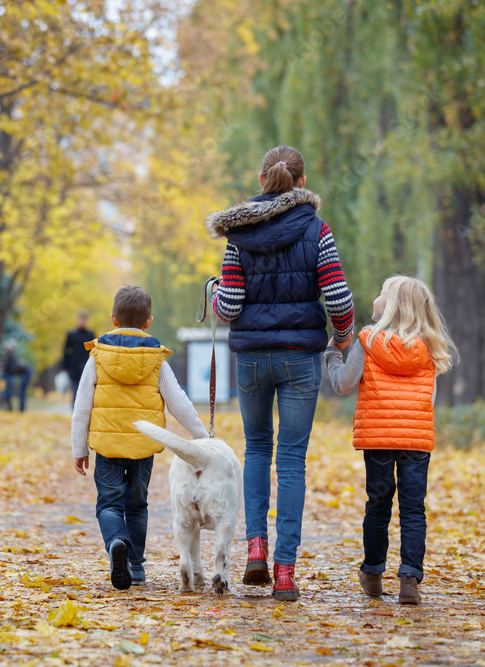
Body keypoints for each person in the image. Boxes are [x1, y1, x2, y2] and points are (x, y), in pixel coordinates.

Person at [208, 145, 355, 601]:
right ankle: (286, 573)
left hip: (252, 359)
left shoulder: (240, 235)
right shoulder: (317, 230)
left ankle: (254, 549)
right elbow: (338, 299)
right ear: (301, 181)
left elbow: (229, 307)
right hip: (299, 359)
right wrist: (345, 336)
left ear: (261, 178)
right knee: (291, 460)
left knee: (256, 450)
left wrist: (214, 298)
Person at [325, 275, 458, 605]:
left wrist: (332, 355)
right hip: (416, 440)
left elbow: (343, 384)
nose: (375, 299)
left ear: (393, 305)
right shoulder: (428, 347)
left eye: (381, 293)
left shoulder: (369, 340)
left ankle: (372, 573)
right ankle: (410, 578)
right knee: (413, 509)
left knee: (378, 505)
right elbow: (429, 399)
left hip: (378, 437)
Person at [71, 285, 208, 590]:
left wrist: (79, 447)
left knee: (108, 504)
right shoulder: (157, 360)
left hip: (107, 447)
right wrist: (202, 437)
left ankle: (116, 541)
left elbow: (82, 406)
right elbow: (179, 403)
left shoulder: (97, 356)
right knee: (137, 504)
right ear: (149, 322)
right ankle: (135, 566)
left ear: (113, 319)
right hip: (143, 446)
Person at [62, 312, 95, 405]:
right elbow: (66, 351)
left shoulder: (90, 335)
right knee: (75, 390)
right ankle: (74, 411)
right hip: (74, 368)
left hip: (86, 366)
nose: (82, 322)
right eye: (81, 319)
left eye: (84, 320)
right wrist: (65, 367)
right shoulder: (71, 335)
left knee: (87, 390)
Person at [2, 343, 32, 412]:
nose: (7, 350)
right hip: (20, 373)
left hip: (26, 372)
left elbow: (12, 368)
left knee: (21, 392)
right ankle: (12, 409)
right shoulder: (8, 358)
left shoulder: (12, 358)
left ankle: (21, 410)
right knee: (9, 392)